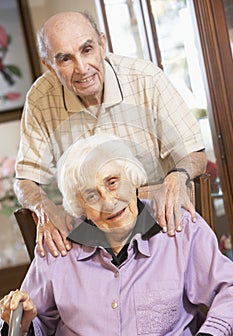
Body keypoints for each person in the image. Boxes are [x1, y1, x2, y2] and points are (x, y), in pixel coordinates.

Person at [1, 134, 232, 336]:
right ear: (80, 207)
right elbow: (32, 326)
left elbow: (228, 289)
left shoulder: (178, 229)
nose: (108, 202)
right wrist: (22, 326)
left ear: (132, 178)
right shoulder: (58, 248)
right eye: (91, 195)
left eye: (112, 182)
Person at [14, 11, 207, 258]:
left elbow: (194, 153)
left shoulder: (146, 79)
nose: (82, 68)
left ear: (102, 44)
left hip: (160, 229)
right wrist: (44, 208)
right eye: (65, 59)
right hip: (92, 243)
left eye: (87, 49)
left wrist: (177, 177)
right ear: (49, 65)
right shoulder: (40, 99)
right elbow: (25, 180)